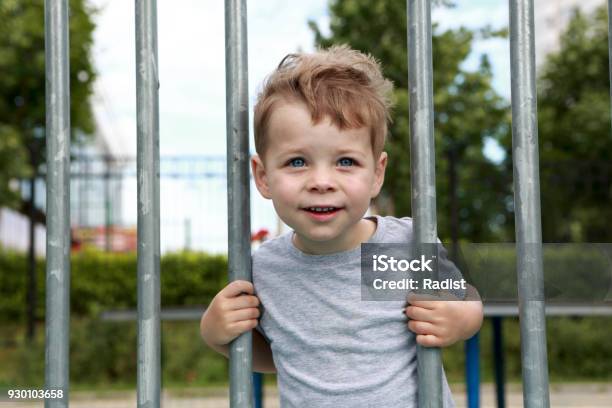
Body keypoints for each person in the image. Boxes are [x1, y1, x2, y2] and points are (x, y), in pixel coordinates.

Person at [200, 44, 483, 407]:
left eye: (345, 161)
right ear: (263, 175)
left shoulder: (399, 246)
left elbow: (467, 300)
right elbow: (280, 357)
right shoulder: (266, 268)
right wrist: (216, 334)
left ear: (377, 173)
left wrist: (459, 319)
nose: (322, 181)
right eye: (298, 161)